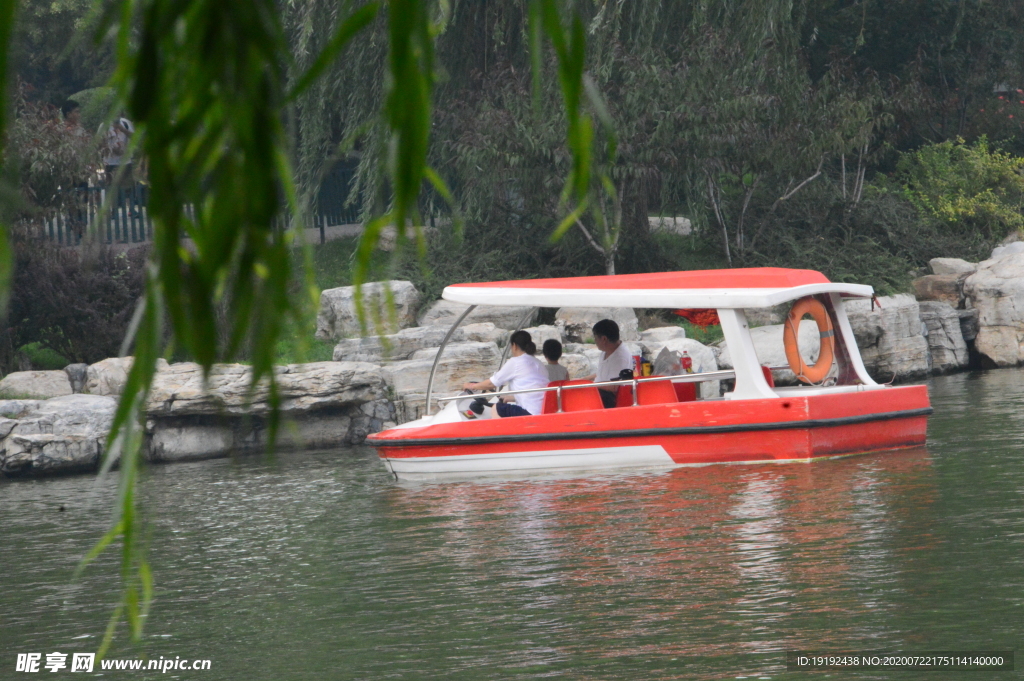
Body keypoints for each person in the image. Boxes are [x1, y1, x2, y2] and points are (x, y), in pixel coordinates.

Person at [463, 330, 549, 417]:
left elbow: (491, 384)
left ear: (514, 346)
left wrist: (471, 386)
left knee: (496, 408)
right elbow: (534, 390)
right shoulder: (538, 363)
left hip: (530, 413)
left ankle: (497, 431)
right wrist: (511, 398)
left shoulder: (516, 362)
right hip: (543, 412)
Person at [583, 319, 632, 408]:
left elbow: (614, 386)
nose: (595, 341)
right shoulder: (605, 351)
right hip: (599, 391)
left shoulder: (620, 357)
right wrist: (584, 379)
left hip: (610, 399)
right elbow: (601, 373)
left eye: (595, 338)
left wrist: (590, 385)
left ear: (604, 339)